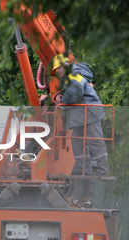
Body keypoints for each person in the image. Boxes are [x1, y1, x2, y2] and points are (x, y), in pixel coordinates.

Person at [52, 54, 109, 205]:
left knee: (95, 142)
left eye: (57, 69)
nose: (57, 72)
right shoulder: (69, 78)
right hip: (78, 117)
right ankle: (84, 170)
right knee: (78, 146)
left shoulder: (75, 75)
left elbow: (73, 97)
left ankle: (104, 169)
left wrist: (60, 100)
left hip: (89, 114)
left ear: (64, 66)